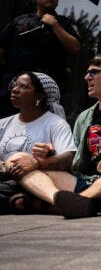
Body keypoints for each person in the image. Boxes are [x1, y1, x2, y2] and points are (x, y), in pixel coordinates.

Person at [15, 54, 101, 218]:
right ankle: (71, 203)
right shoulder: (84, 117)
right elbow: (73, 160)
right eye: (87, 73)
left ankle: (63, 203)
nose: (87, 77)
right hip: (85, 182)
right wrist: (50, 155)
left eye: (93, 72)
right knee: (22, 162)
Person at [0, 0, 81, 117]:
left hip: (46, 87)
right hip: (15, 83)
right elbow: (2, 49)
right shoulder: (20, 21)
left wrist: (55, 25)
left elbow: (75, 48)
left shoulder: (63, 22)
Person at [0, 72, 76, 213]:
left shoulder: (56, 124)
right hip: (6, 180)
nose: (15, 89)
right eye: (14, 85)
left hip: (38, 182)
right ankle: (30, 203)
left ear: (40, 96)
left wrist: (38, 161)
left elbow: (69, 158)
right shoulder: (3, 124)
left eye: (23, 86)